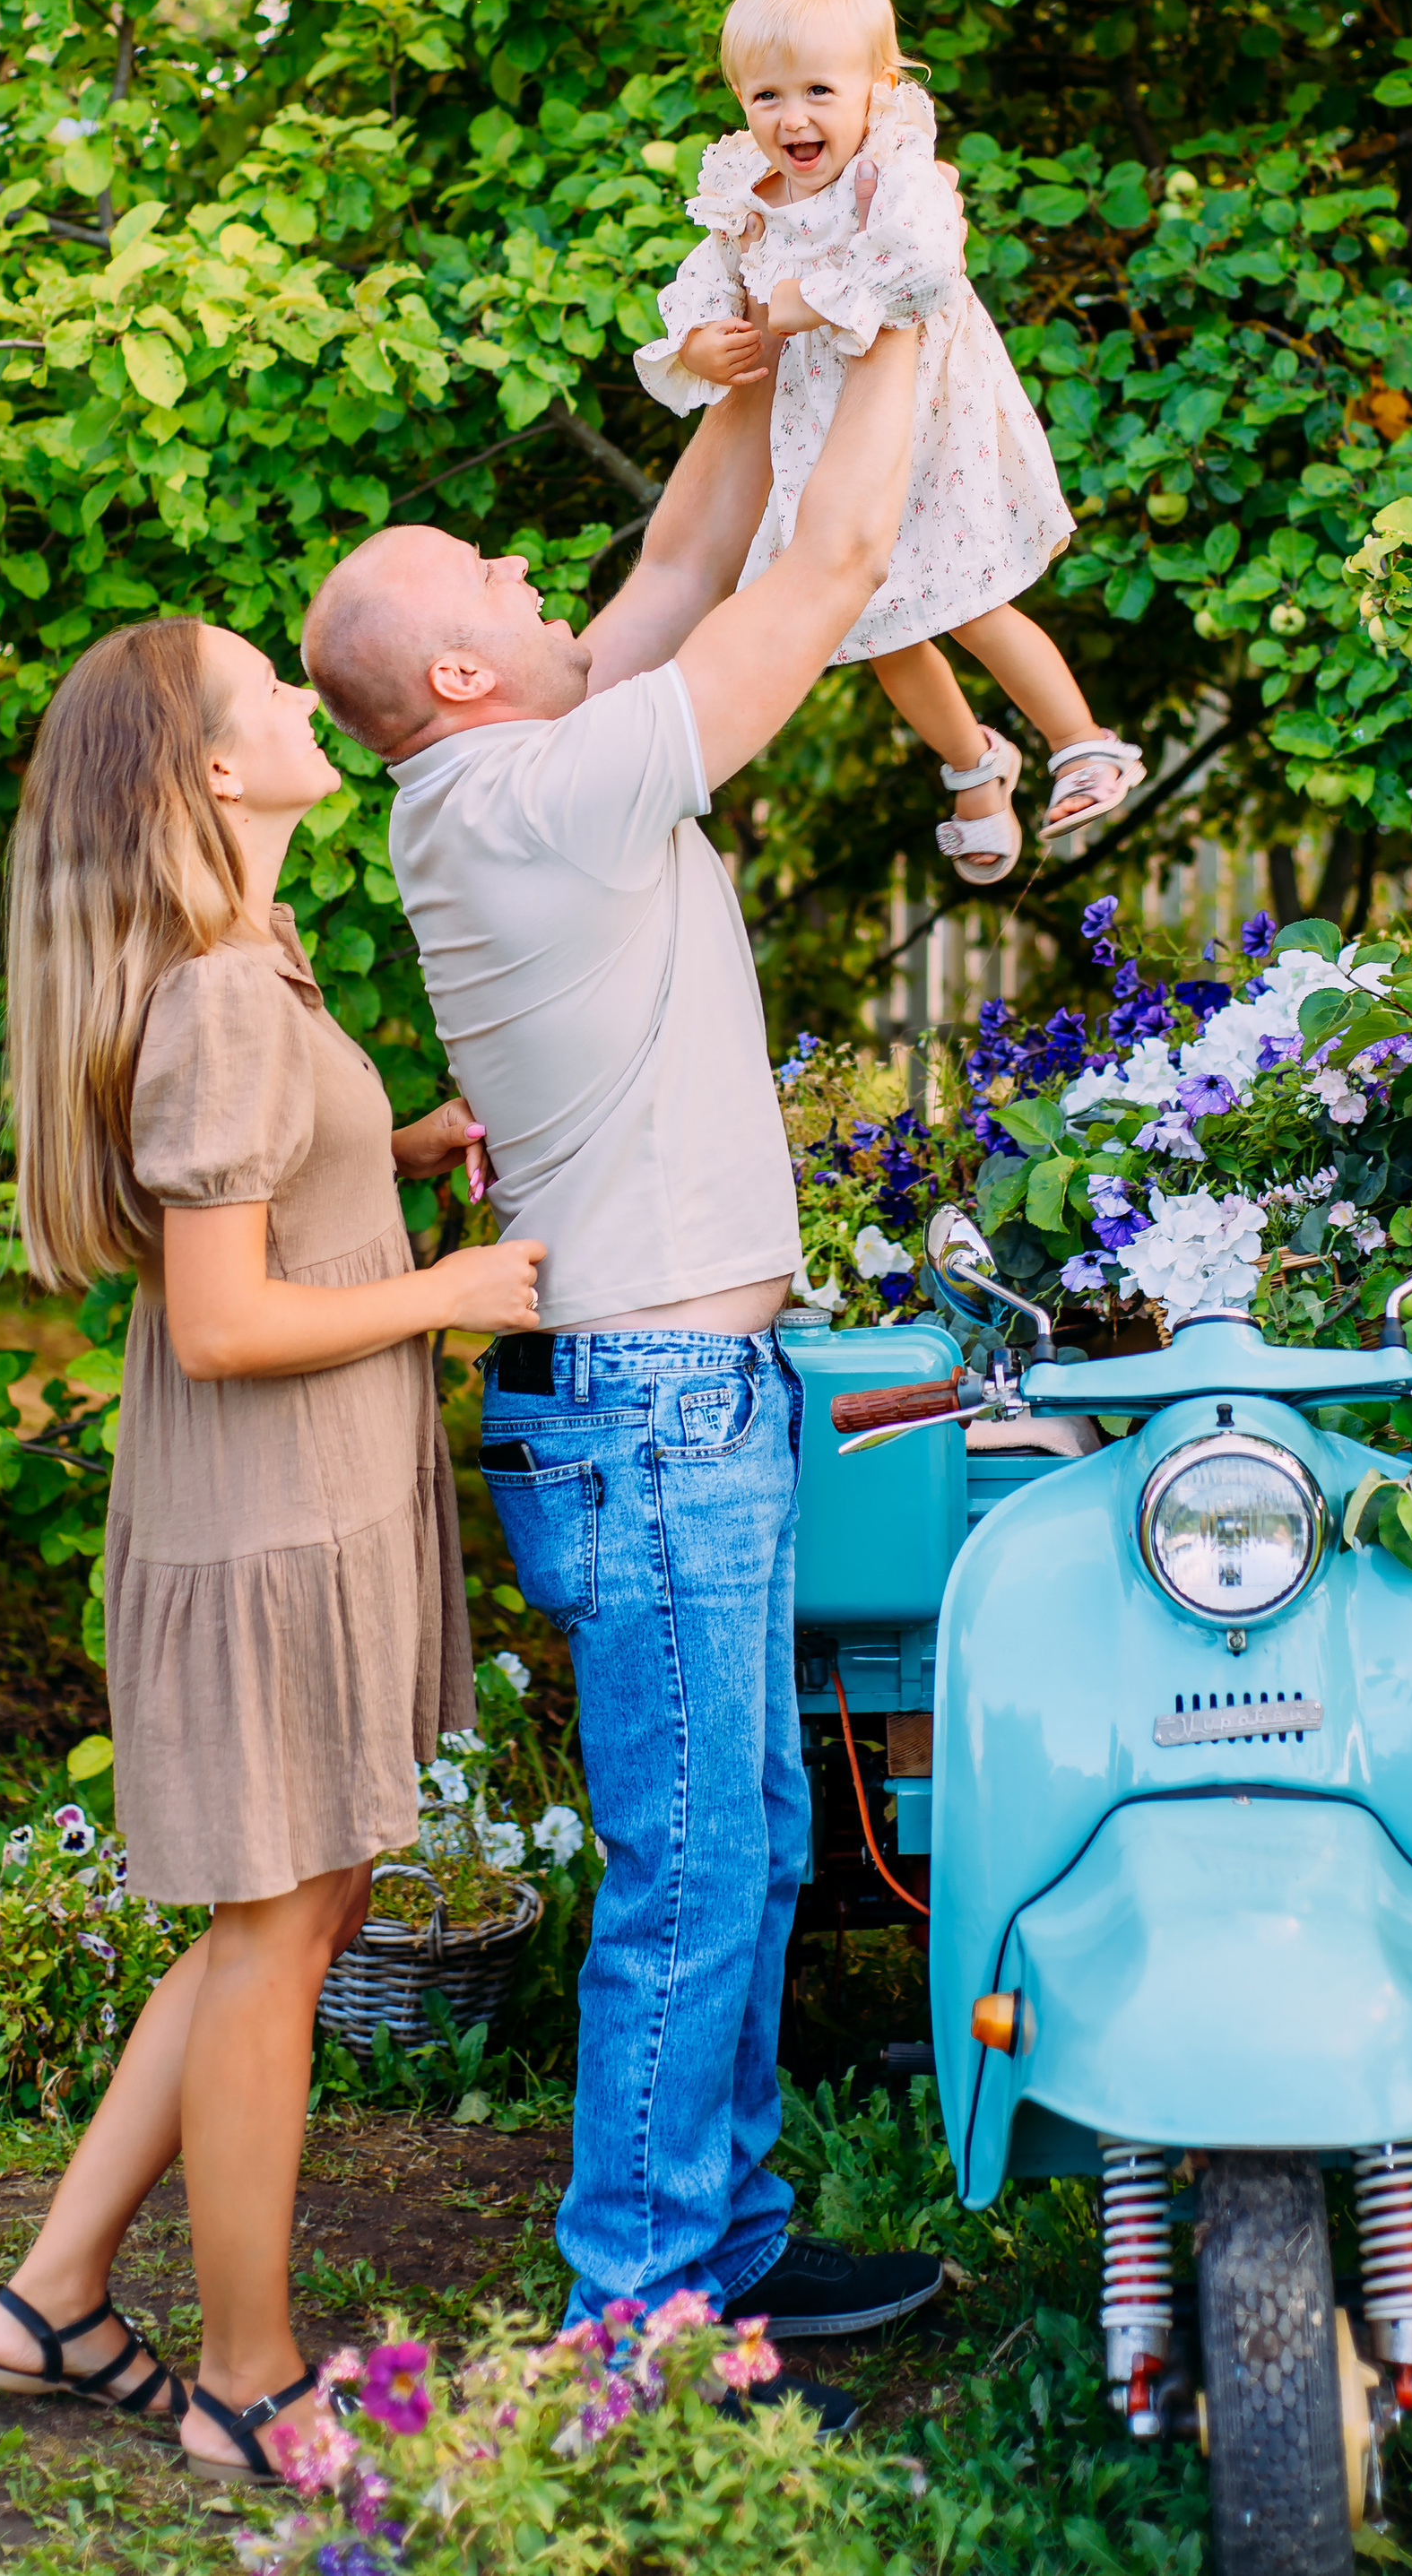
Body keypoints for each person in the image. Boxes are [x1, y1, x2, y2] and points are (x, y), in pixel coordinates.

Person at [300, 289, 944, 2408]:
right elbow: (819, 574)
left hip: (679, 1406)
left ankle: (724, 2236)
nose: (535, 572)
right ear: (466, 671)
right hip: (657, 1417)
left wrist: (754, 382)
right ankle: (631, 2314)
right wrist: (898, 305)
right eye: (496, 575)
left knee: (743, 1829)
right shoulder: (529, 804)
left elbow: (680, 564)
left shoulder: (517, 766)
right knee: (696, 1862)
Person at [0, 618, 542, 2486]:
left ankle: (53, 2295)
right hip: (265, 1516)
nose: (305, 703)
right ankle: (245, 2374)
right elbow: (221, 1321)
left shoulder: (254, 971)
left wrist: (402, 1153)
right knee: (279, 1932)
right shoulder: (219, 992)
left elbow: (278, 1207)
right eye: (267, 692)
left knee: (286, 1919)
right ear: (216, 773)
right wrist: (452, 1290)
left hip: (305, 1499)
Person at [631, 0, 1144, 887]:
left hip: (925, 428)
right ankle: (975, 770)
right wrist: (702, 339)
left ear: (878, 85)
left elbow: (923, 267)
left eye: (818, 90)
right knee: (866, 621)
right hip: (818, 445)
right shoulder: (746, 190)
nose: (792, 119)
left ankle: (1083, 740)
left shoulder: (895, 168)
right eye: (764, 96)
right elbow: (710, 278)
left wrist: (799, 302)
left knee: (971, 598)